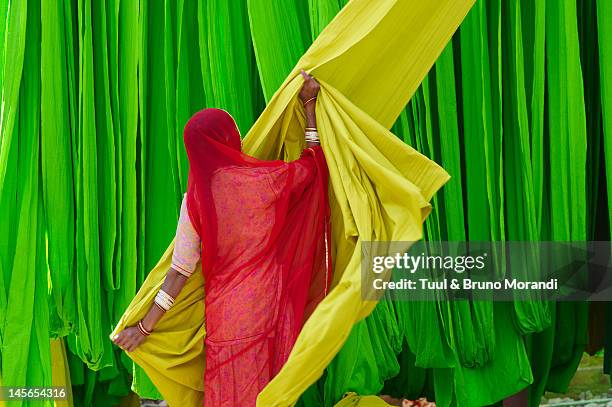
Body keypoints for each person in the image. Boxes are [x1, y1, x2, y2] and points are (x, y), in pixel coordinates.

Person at [112, 70, 332, 406]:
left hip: (225, 315)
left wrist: (142, 329)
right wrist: (310, 104)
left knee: (226, 392)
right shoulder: (263, 182)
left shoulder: (195, 199)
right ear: (227, 139)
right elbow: (313, 167)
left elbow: (179, 272)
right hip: (268, 304)